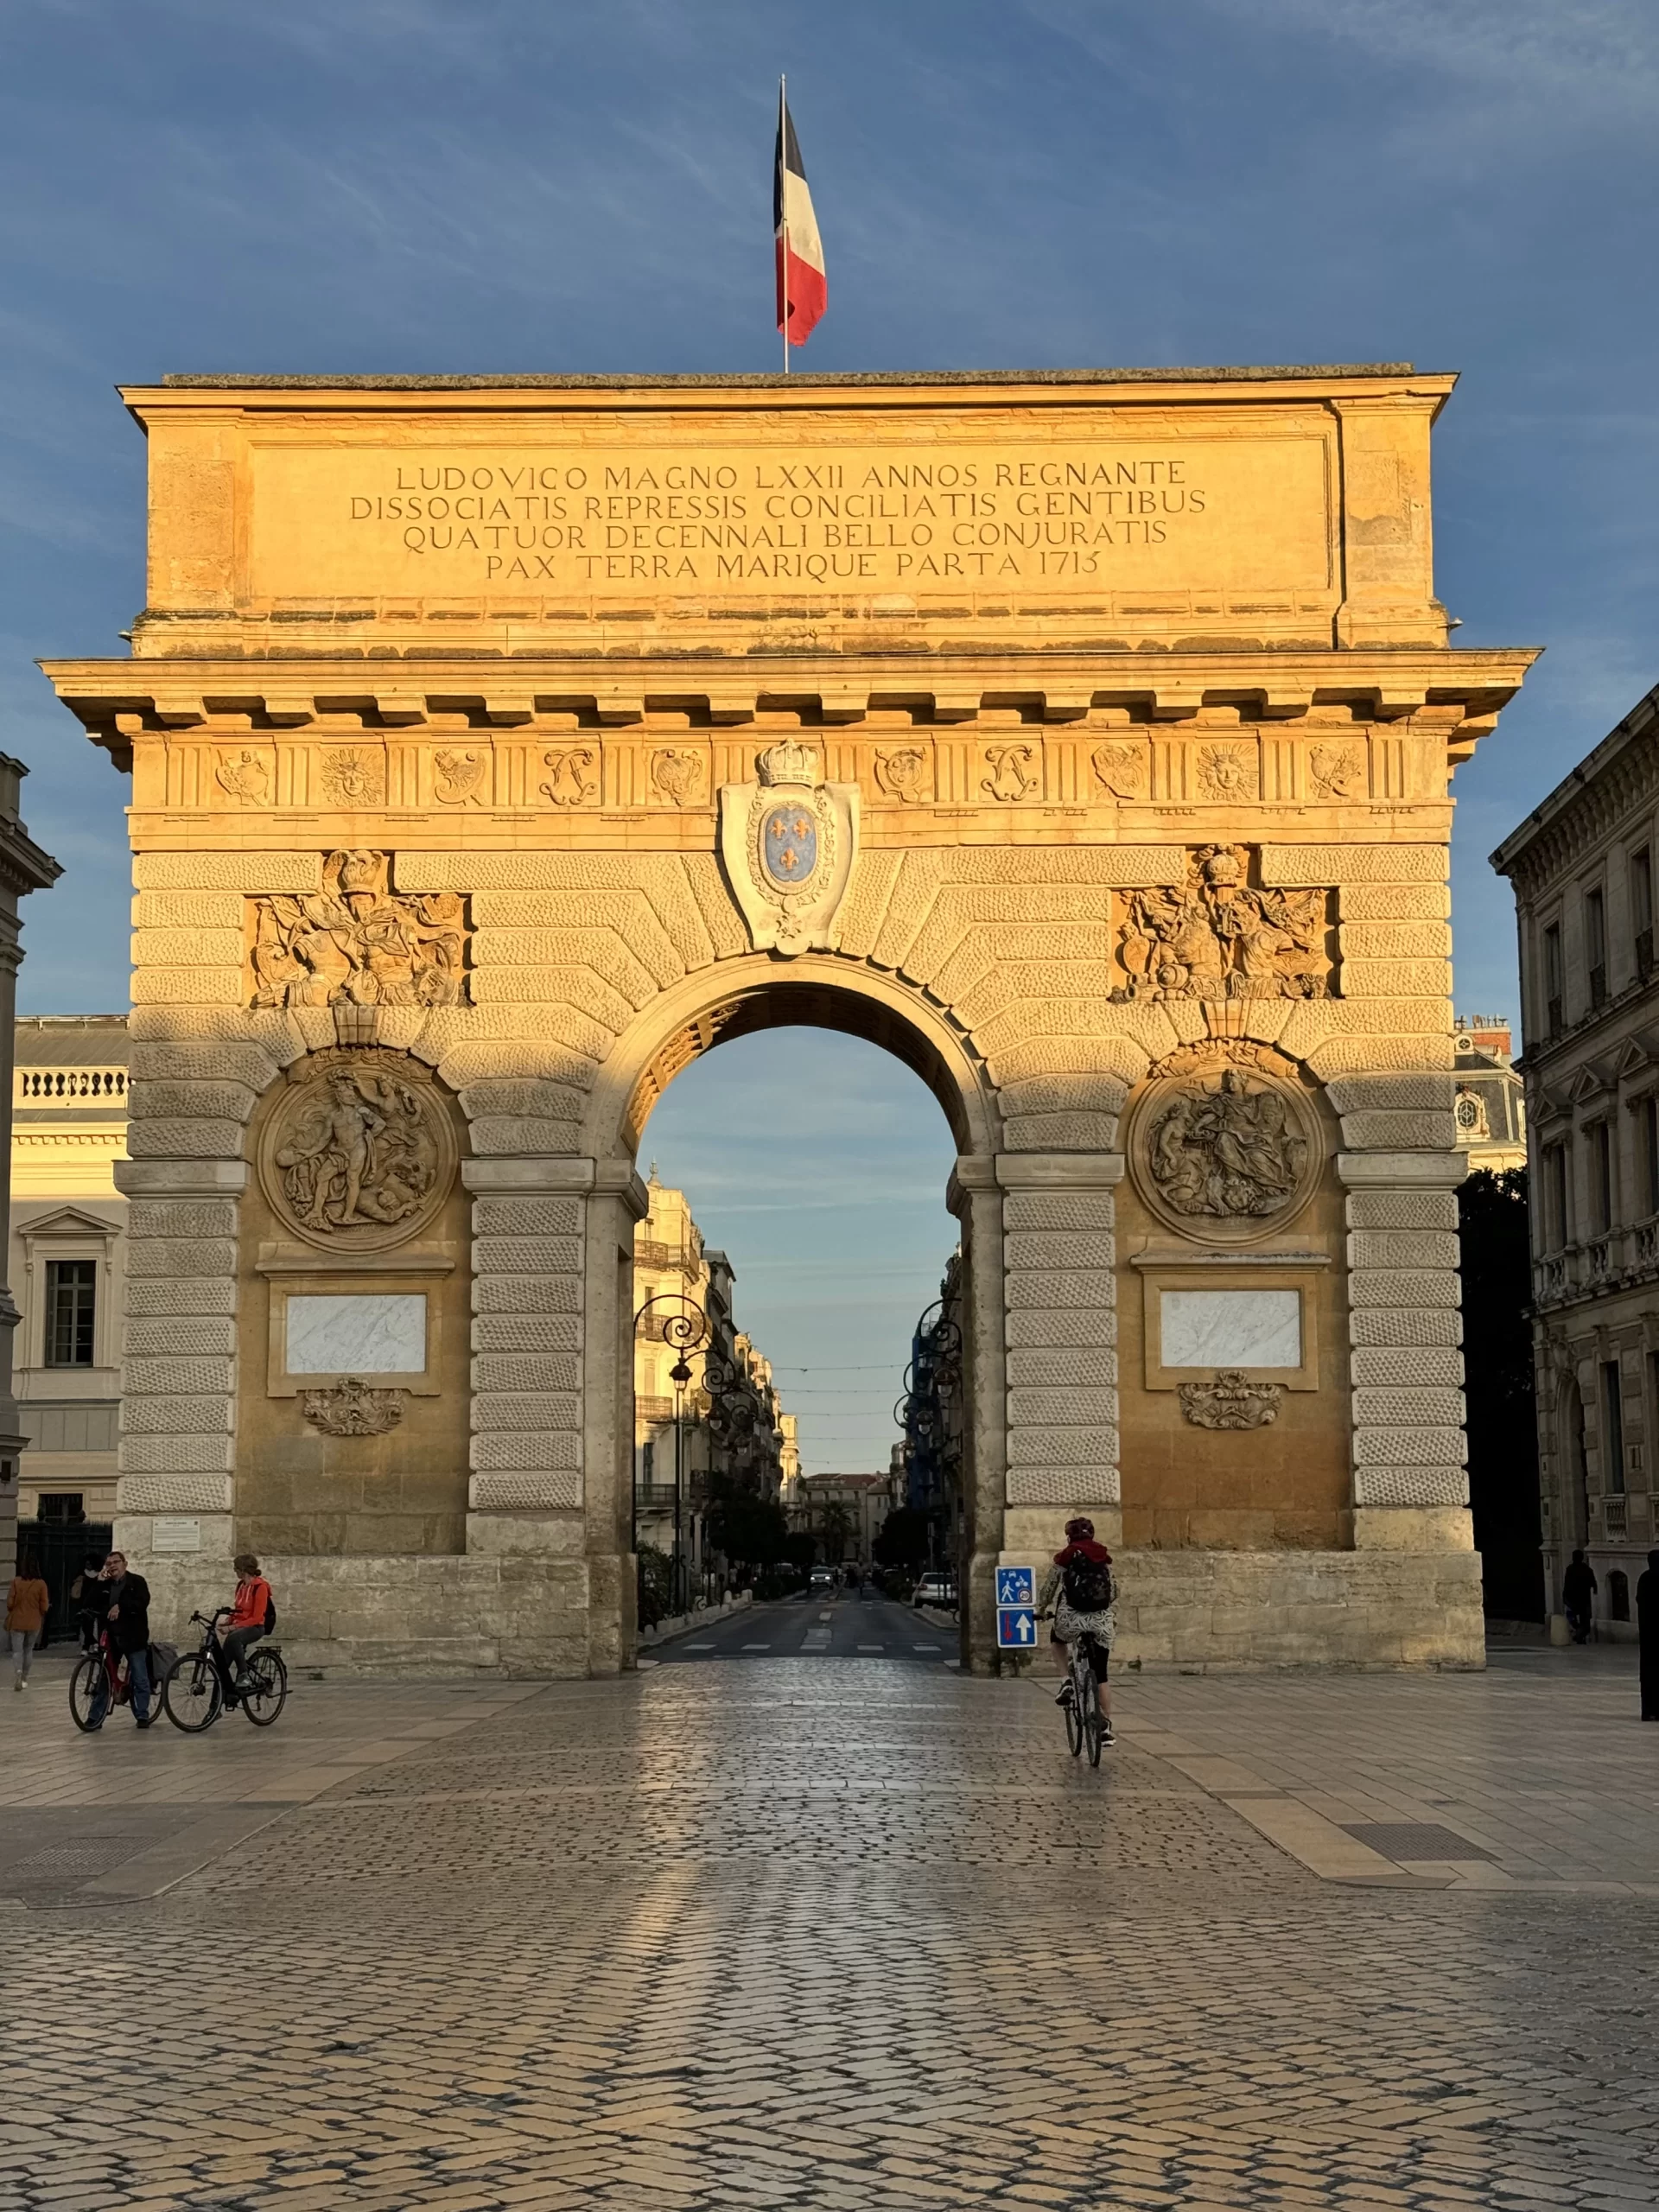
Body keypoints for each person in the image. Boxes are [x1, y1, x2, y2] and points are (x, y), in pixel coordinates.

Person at [1037, 1516, 1116, 1746]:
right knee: (1101, 1675)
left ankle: (1066, 1681)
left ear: (1069, 1536)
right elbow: (1114, 1589)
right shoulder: (1104, 1555)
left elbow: (1050, 1586)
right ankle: (1105, 1728)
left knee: (1057, 1641)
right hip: (1101, 1620)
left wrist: (1041, 1610)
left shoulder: (1066, 1556)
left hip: (1070, 1619)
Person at [89, 1551, 154, 1730]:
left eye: (116, 1562)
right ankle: (95, 1716)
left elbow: (142, 1602)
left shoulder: (137, 1582)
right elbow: (90, 1602)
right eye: (108, 1563)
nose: (112, 1566)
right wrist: (98, 1583)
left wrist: (121, 1607)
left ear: (125, 1564)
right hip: (111, 1636)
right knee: (104, 1677)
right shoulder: (105, 1584)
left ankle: (142, 1714)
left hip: (133, 1635)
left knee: (140, 1676)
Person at [213, 1554, 273, 1709]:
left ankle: (243, 1675)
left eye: (236, 1568)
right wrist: (229, 1620)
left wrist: (232, 1627)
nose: (235, 1571)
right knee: (221, 1668)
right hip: (240, 1626)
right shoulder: (241, 1586)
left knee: (234, 1638)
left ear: (243, 1570)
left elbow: (257, 1617)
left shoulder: (260, 1588)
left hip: (255, 1627)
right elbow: (239, 1610)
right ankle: (214, 1707)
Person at [6, 1555, 50, 1691]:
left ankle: (18, 1673)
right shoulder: (41, 1584)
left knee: (17, 1651)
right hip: (34, 1621)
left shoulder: (16, 1582)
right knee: (28, 1650)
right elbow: (44, 1606)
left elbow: (10, 1603)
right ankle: (25, 1678)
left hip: (17, 1621)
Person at [1637, 1549, 1659, 1723]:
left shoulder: (1644, 1578)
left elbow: (1639, 1600)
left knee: (1648, 1673)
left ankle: (1647, 1711)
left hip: (1647, 1634)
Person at [70, 1552, 106, 1652]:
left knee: (98, 1626)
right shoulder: (82, 1573)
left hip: (97, 1603)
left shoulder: (100, 1575)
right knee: (87, 1625)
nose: (87, 1565)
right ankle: (90, 1644)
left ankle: (92, 1645)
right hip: (85, 1602)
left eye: (89, 1563)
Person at [1563, 1548, 1598, 1643]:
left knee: (1572, 1617)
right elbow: (1593, 1583)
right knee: (1584, 1621)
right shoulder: (1587, 1569)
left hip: (1573, 1598)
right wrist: (1594, 1590)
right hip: (1583, 1599)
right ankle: (1580, 1634)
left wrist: (1565, 1596)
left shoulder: (1570, 1569)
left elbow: (1566, 1584)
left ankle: (1579, 1633)